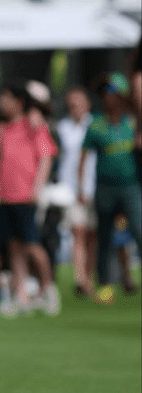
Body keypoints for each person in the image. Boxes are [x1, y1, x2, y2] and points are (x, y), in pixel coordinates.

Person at [0, 81, 60, 315]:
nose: (2, 103)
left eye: (6, 98)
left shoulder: (34, 126)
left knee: (32, 245)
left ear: (19, 102)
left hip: (26, 196)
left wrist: (36, 188)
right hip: (6, 196)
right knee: (14, 247)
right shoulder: (3, 129)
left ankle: (48, 288)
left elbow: (46, 157)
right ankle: (20, 296)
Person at [79, 73, 141, 303]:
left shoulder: (133, 123)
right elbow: (83, 159)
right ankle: (105, 284)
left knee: (139, 231)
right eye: (105, 93)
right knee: (104, 237)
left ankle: (127, 277)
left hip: (131, 188)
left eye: (112, 92)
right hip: (105, 189)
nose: (108, 97)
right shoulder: (96, 125)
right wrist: (82, 189)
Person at [57, 86, 97, 296]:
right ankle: (80, 278)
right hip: (71, 188)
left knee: (93, 235)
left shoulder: (96, 125)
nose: (75, 108)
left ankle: (90, 276)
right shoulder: (62, 128)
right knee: (78, 231)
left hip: (95, 186)